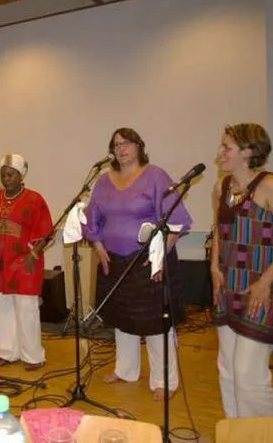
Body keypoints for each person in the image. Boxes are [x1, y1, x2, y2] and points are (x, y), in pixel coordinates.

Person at [82, 128, 193, 401]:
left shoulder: (155, 176)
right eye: (116, 144)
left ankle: (164, 380)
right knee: (122, 319)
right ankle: (126, 370)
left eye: (126, 143)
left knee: (155, 321)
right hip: (114, 260)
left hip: (148, 261)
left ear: (139, 146)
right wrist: (98, 247)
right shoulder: (104, 181)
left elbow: (177, 222)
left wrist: (159, 255)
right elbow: (92, 218)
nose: (121, 149)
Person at [211, 123, 273, 418]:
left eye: (227, 147)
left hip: (262, 289)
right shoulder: (221, 187)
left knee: (248, 374)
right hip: (228, 287)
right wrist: (214, 267)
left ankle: (264, 435)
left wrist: (265, 282)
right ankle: (236, 432)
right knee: (227, 368)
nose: (220, 153)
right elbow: (218, 230)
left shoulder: (270, 185)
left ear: (248, 152)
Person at [0, 154, 53, 371]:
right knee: (1, 308)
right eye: (3, 175)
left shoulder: (34, 199)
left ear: (21, 176)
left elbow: (46, 231)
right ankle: (7, 351)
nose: (6, 179)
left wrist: (33, 254)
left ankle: (33, 356)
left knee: (26, 310)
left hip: (24, 262)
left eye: (10, 175)